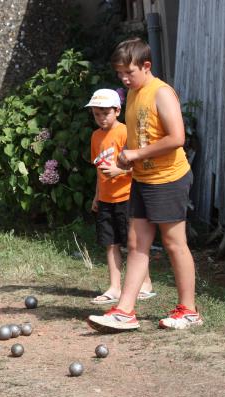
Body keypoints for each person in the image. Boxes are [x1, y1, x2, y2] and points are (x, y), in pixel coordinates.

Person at [88, 38, 202, 331]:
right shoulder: (133, 93)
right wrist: (126, 163)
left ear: (146, 66)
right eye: (120, 74)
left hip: (168, 180)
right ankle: (125, 311)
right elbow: (142, 136)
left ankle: (189, 311)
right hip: (142, 178)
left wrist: (136, 154)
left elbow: (177, 138)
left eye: (129, 72)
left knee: (175, 244)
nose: (124, 79)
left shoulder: (160, 93)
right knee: (137, 244)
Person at [86, 88, 155, 305]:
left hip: (127, 197)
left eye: (105, 113)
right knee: (111, 243)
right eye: (96, 113)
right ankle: (115, 287)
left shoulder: (126, 132)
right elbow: (99, 169)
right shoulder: (96, 136)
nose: (101, 118)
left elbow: (141, 167)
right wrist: (97, 195)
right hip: (106, 199)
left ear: (117, 111)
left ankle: (146, 284)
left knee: (134, 244)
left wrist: (120, 171)